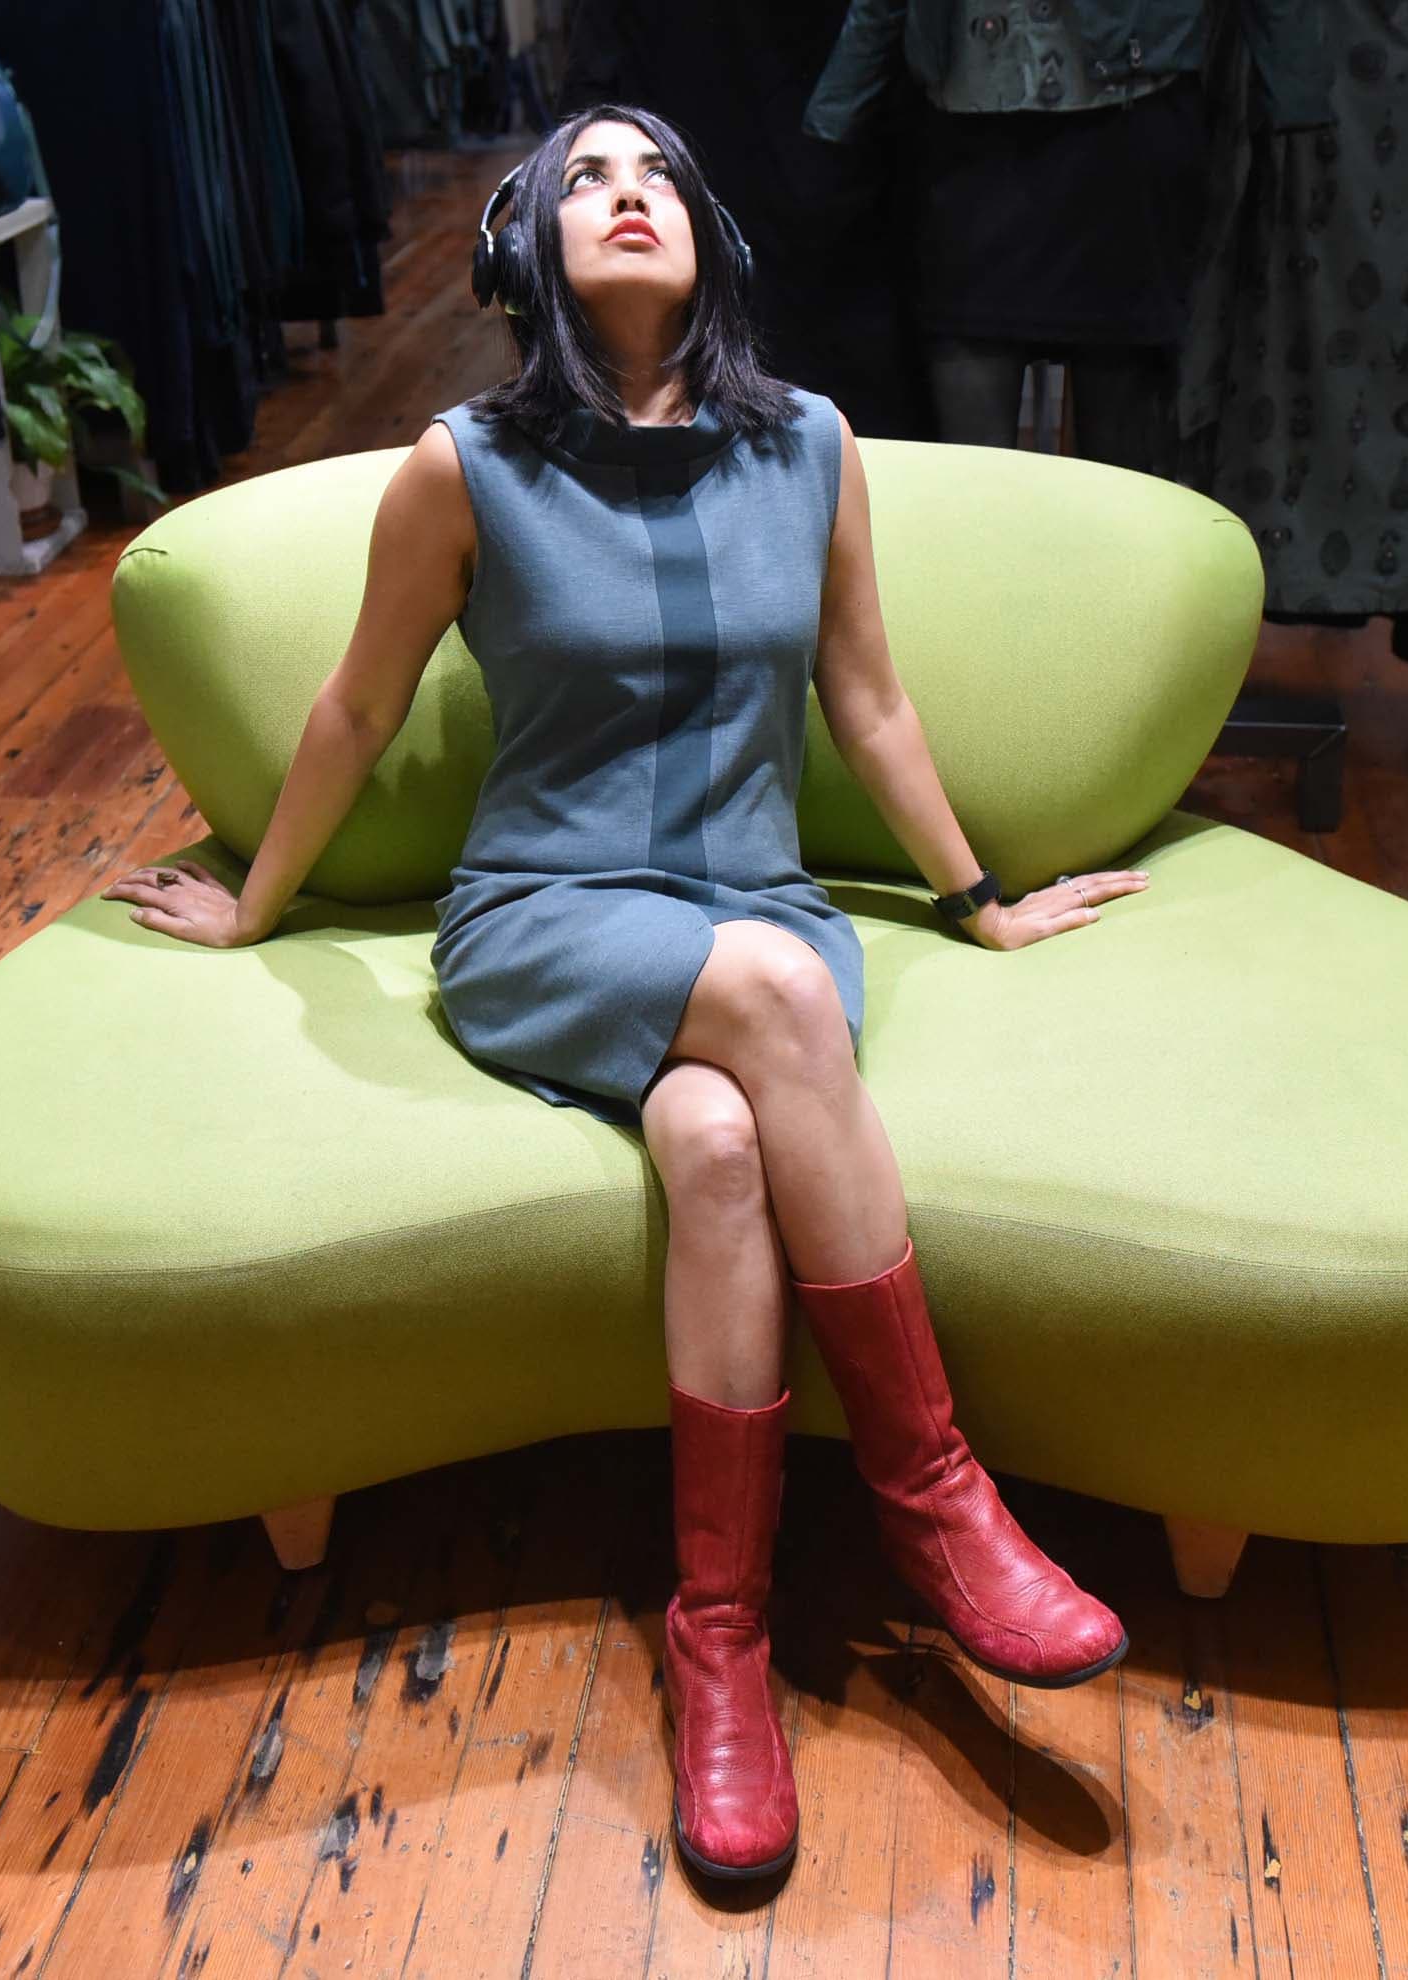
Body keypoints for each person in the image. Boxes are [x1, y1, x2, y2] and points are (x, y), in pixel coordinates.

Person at [100, 103, 1147, 1887]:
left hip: (756, 926)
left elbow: (870, 704)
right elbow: (356, 708)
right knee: (771, 1004)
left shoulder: (811, 447)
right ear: (526, 251)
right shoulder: (463, 469)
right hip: (543, 923)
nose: (627, 193)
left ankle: (720, 1642)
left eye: (655, 170)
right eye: (583, 177)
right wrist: (254, 909)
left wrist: (979, 904)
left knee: (724, 1146)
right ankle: (934, 1500)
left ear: (707, 232)